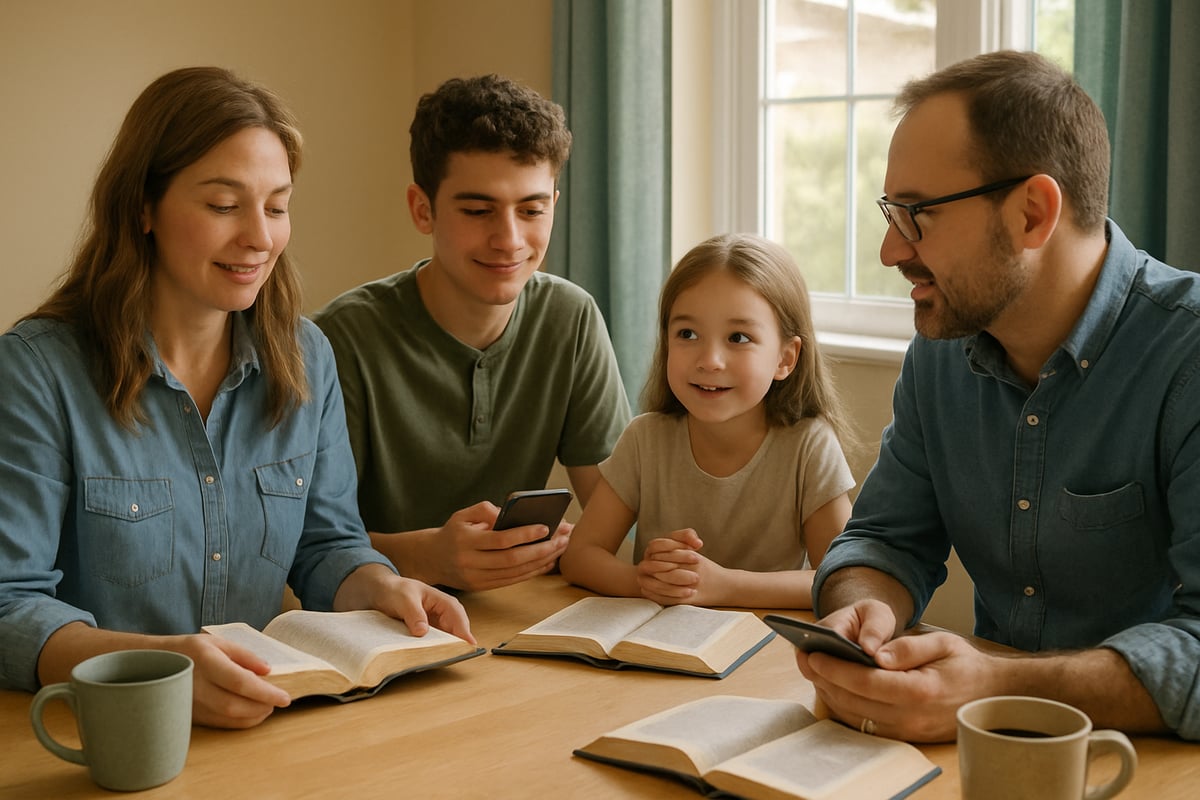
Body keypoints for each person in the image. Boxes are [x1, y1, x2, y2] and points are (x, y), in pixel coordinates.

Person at [0, 67, 473, 730]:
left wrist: (383, 587)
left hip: (263, 726)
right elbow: (8, 604)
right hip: (97, 735)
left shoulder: (307, 356)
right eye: (224, 206)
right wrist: (158, 666)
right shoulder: (37, 371)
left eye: (277, 206)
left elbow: (325, 542)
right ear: (143, 207)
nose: (260, 237)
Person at [795, 50, 1200, 742]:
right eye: (893, 211)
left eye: (918, 214)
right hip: (979, 758)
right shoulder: (941, 350)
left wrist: (1000, 688)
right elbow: (884, 540)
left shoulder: (1185, 355)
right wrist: (863, 614)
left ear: (1033, 214)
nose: (891, 250)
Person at [312, 75, 630, 592]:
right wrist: (425, 557)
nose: (508, 240)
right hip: (374, 617)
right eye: (478, 211)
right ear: (422, 209)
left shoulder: (570, 318)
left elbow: (615, 511)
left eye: (531, 210)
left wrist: (577, 545)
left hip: (515, 614)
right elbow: (298, 542)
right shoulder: (338, 340)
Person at [559, 234, 855, 608]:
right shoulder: (644, 439)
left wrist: (724, 586)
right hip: (657, 649)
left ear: (786, 358)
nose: (710, 359)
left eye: (738, 337)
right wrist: (645, 581)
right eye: (688, 334)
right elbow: (580, 556)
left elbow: (841, 578)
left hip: (765, 653)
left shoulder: (809, 446)